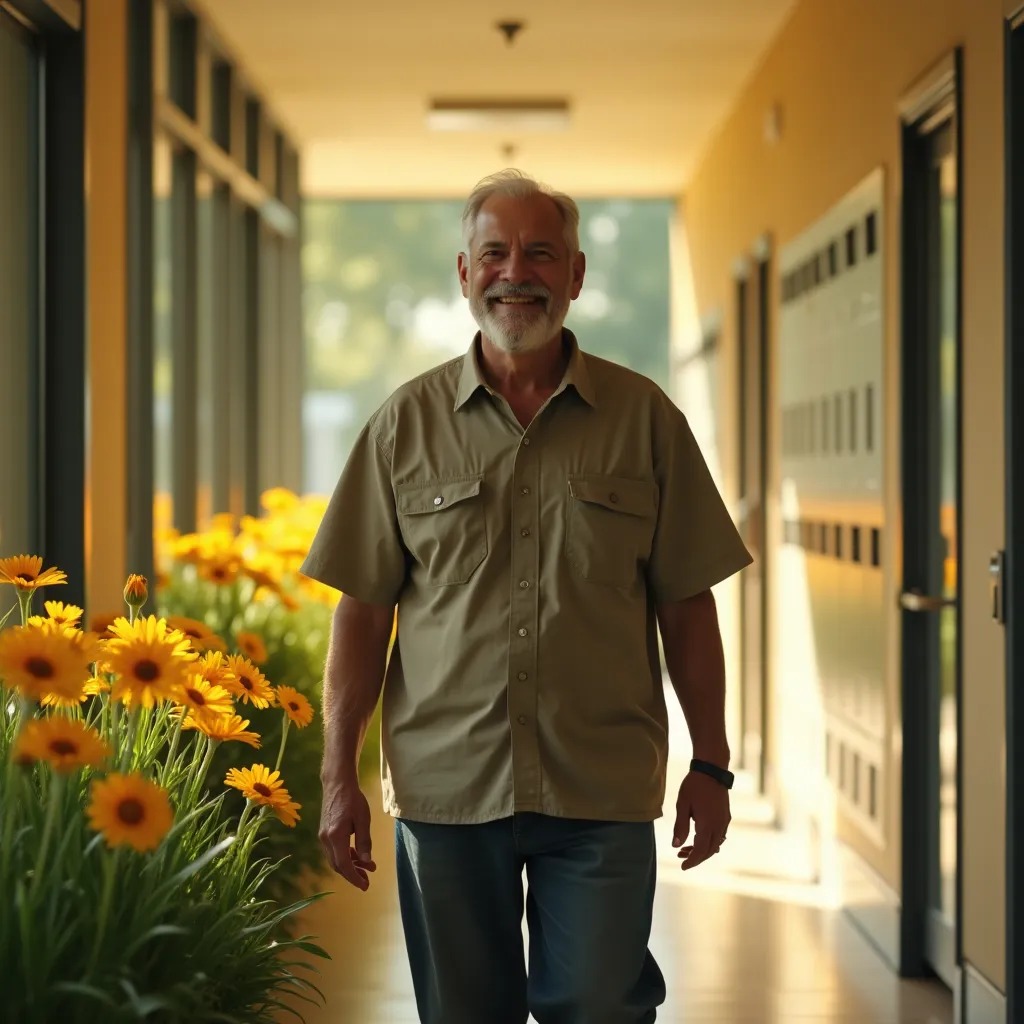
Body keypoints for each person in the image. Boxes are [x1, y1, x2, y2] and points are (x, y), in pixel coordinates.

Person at [301, 168, 753, 1024]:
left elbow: (688, 605)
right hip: (447, 789)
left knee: (598, 1002)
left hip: (600, 788)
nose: (519, 273)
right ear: (464, 274)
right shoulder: (403, 425)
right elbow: (361, 614)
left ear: (576, 274)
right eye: (496, 253)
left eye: (541, 253)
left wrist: (713, 763)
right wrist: (337, 779)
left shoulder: (646, 418)